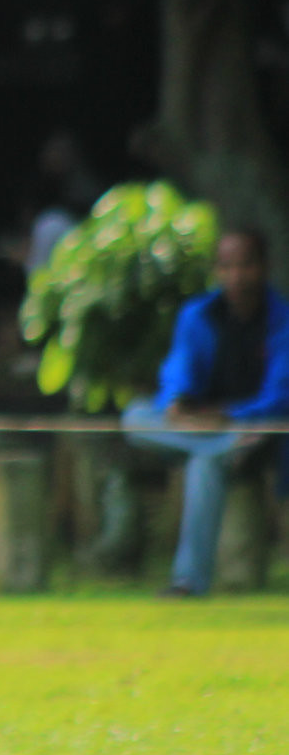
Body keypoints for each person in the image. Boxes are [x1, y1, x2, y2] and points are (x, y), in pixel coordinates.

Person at [122, 229, 289, 596]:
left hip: (259, 433)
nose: (236, 276)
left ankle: (188, 582)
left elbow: (279, 395)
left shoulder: (282, 321)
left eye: (245, 265)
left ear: (263, 267)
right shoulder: (198, 315)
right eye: (227, 266)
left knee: (204, 465)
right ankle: (223, 445)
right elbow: (178, 371)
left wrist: (230, 416)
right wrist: (177, 403)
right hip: (205, 431)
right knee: (134, 416)